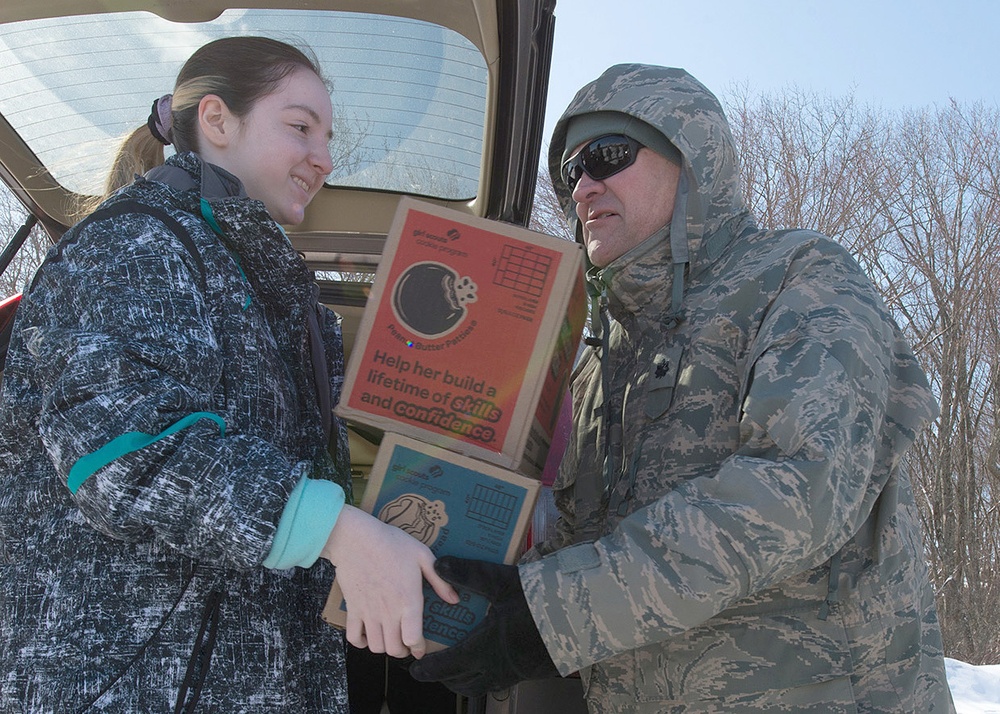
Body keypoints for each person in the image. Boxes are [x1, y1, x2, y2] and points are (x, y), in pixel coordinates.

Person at [410, 64, 957, 712]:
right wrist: (496, 596)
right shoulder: (595, 360)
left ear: (692, 161)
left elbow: (794, 490)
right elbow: (584, 545)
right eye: (568, 174)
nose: (583, 187)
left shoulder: (799, 277)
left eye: (607, 157)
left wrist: (555, 613)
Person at [0, 36, 457, 712]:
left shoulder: (261, 286)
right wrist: (342, 534)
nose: (324, 159)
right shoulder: (135, 244)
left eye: (328, 137)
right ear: (217, 120)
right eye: (300, 127)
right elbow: (129, 450)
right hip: (126, 685)